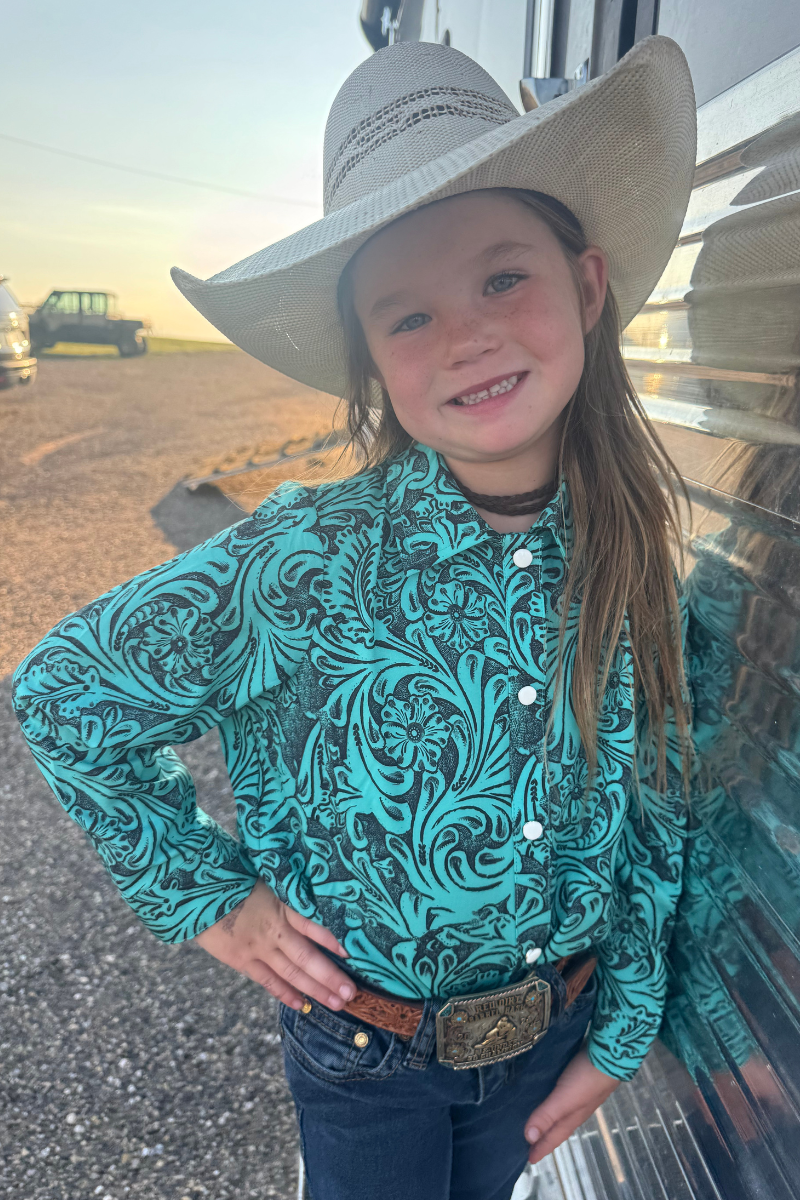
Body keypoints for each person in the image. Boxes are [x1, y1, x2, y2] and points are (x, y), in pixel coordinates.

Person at [12, 35, 696, 1200]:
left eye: (501, 279)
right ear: (371, 362)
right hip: (367, 1062)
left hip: (550, 1039)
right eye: (406, 316)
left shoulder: (630, 545)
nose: (466, 335)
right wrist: (211, 898)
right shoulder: (303, 559)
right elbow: (65, 693)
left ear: (585, 286)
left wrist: (620, 1034)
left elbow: (657, 797)